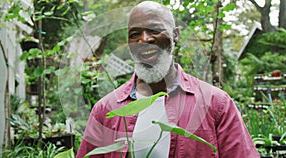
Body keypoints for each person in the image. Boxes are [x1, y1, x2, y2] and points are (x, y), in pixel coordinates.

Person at [77, 1, 259, 158]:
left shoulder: (216, 104)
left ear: (175, 35)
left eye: (155, 30)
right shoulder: (105, 109)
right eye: (134, 34)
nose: (145, 39)